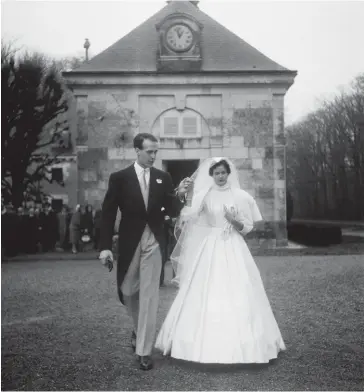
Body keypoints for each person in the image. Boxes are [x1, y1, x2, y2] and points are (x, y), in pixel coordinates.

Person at [155, 157, 286, 364]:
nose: (221, 176)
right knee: (205, 288)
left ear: (229, 173)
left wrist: (235, 222)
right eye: (217, 173)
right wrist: (186, 196)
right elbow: (189, 217)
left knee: (240, 288)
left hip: (233, 245)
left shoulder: (240, 196)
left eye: (224, 172)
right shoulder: (204, 195)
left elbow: (248, 228)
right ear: (211, 175)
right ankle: (192, 344)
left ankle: (249, 343)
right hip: (211, 246)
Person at [99, 133, 189, 371]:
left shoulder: (163, 177)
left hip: (156, 241)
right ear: (136, 150)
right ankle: (139, 330)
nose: (153, 156)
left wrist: (179, 194)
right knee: (127, 290)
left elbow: (172, 208)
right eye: (149, 151)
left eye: (156, 152)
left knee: (149, 296)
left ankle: (144, 350)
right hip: (130, 242)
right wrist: (105, 247)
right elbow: (108, 213)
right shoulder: (119, 178)